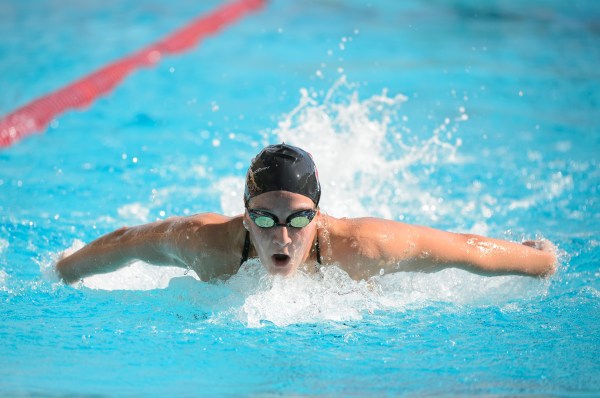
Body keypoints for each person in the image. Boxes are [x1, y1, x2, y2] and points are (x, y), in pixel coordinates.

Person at [56, 143, 557, 284]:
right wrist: (65, 269)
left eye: (298, 218)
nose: (282, 235)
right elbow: (128, 243)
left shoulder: (361, 247)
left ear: (318, 215)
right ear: (246, 217)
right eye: (266, 219)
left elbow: (462, 251)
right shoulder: (205, 244)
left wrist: (541, 261)